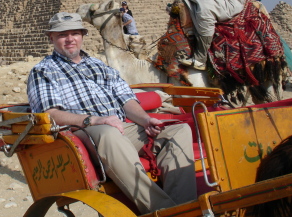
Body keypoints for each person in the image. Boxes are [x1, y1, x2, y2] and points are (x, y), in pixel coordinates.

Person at [27, 12, 196, 214]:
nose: (70, 39)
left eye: (75, 33)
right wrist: (95, 120)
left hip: (120, 126)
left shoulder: (100, 66)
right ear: (51, 38)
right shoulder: (43, 71)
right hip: (82, 131)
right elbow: (50, 113)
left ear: (82, 35)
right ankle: (161, 210)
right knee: (107, 132)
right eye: (63, 35)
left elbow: (126, 98)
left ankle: (186, 209)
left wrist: (145, 119)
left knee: (178, 131)